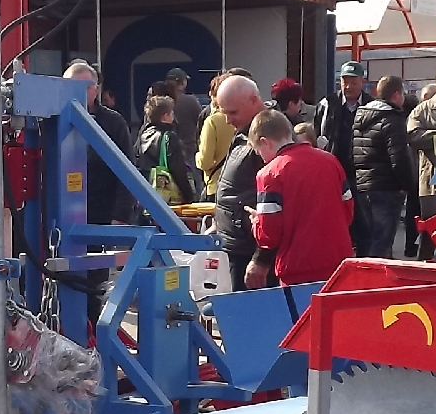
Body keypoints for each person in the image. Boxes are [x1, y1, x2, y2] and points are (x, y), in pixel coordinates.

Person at [246, 109, 354, 287]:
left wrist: (257, 222)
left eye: (259, 151)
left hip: (298, 268)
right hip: (338, 262)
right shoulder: (330, 161)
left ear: (264, 142)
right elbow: (347, 211)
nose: (262, 158)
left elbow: (269, 235)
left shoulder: (269, 174)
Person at [209, 76, 270, 288]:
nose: (228, 121)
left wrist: (261, 259)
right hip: (236, 245)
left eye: (233, 113)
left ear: (254, 100)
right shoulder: (243, 134)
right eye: (224, 113)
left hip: (249, 250)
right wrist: (219, 221)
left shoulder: (269, 138)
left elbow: (277, 203)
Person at [64, 60, 134, 225]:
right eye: (73, 86)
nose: (79, 92)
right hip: (64, 214)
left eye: (86, 87)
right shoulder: (53, 123)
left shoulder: (114, 122)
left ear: (96, 90)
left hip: (103, 214)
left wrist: (120, 216)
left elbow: (127, 171)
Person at [352, 76, 411, 259]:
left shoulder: (361, 115)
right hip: (386, 187)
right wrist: (406, 185)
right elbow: (399, 157)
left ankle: (363, 274)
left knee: (367, 240)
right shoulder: (393, 118)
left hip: (363, 185)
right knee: (382, 244)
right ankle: (377, 276)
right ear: (396, 94)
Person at [407, 74, 436, 261]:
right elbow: (412, 136)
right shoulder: (423, 110)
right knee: (431, 229)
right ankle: (425, 266)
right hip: (432, 180)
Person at [135, 91, 196, 209]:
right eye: (171, 113)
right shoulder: (169, 137)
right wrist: (189, 197)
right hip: (167, 200)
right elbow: (178, 170)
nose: (173, 116)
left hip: (146, 195)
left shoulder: (143, 135)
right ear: (165, 116)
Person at [316, 61, 367, 157]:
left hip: (362, 162)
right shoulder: (327, 104)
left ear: (362, 82)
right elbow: (316, 133)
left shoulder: (370, 106)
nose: (348, 87)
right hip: (333, 160)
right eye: (345, 82)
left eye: (354, 83)